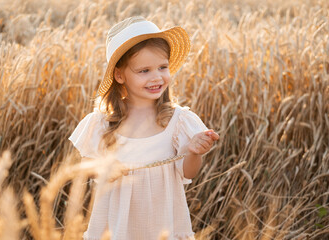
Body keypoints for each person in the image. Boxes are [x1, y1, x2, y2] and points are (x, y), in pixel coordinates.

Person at [68, 16, 219, 240]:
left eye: (162, 67)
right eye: (144, 71)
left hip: (163, 227)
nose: (157, 77)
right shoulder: (102, 124)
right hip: (116, 228)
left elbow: (189, 173)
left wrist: (194, 152)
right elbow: (87, 167)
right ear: (120, 75)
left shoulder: (178, 121)